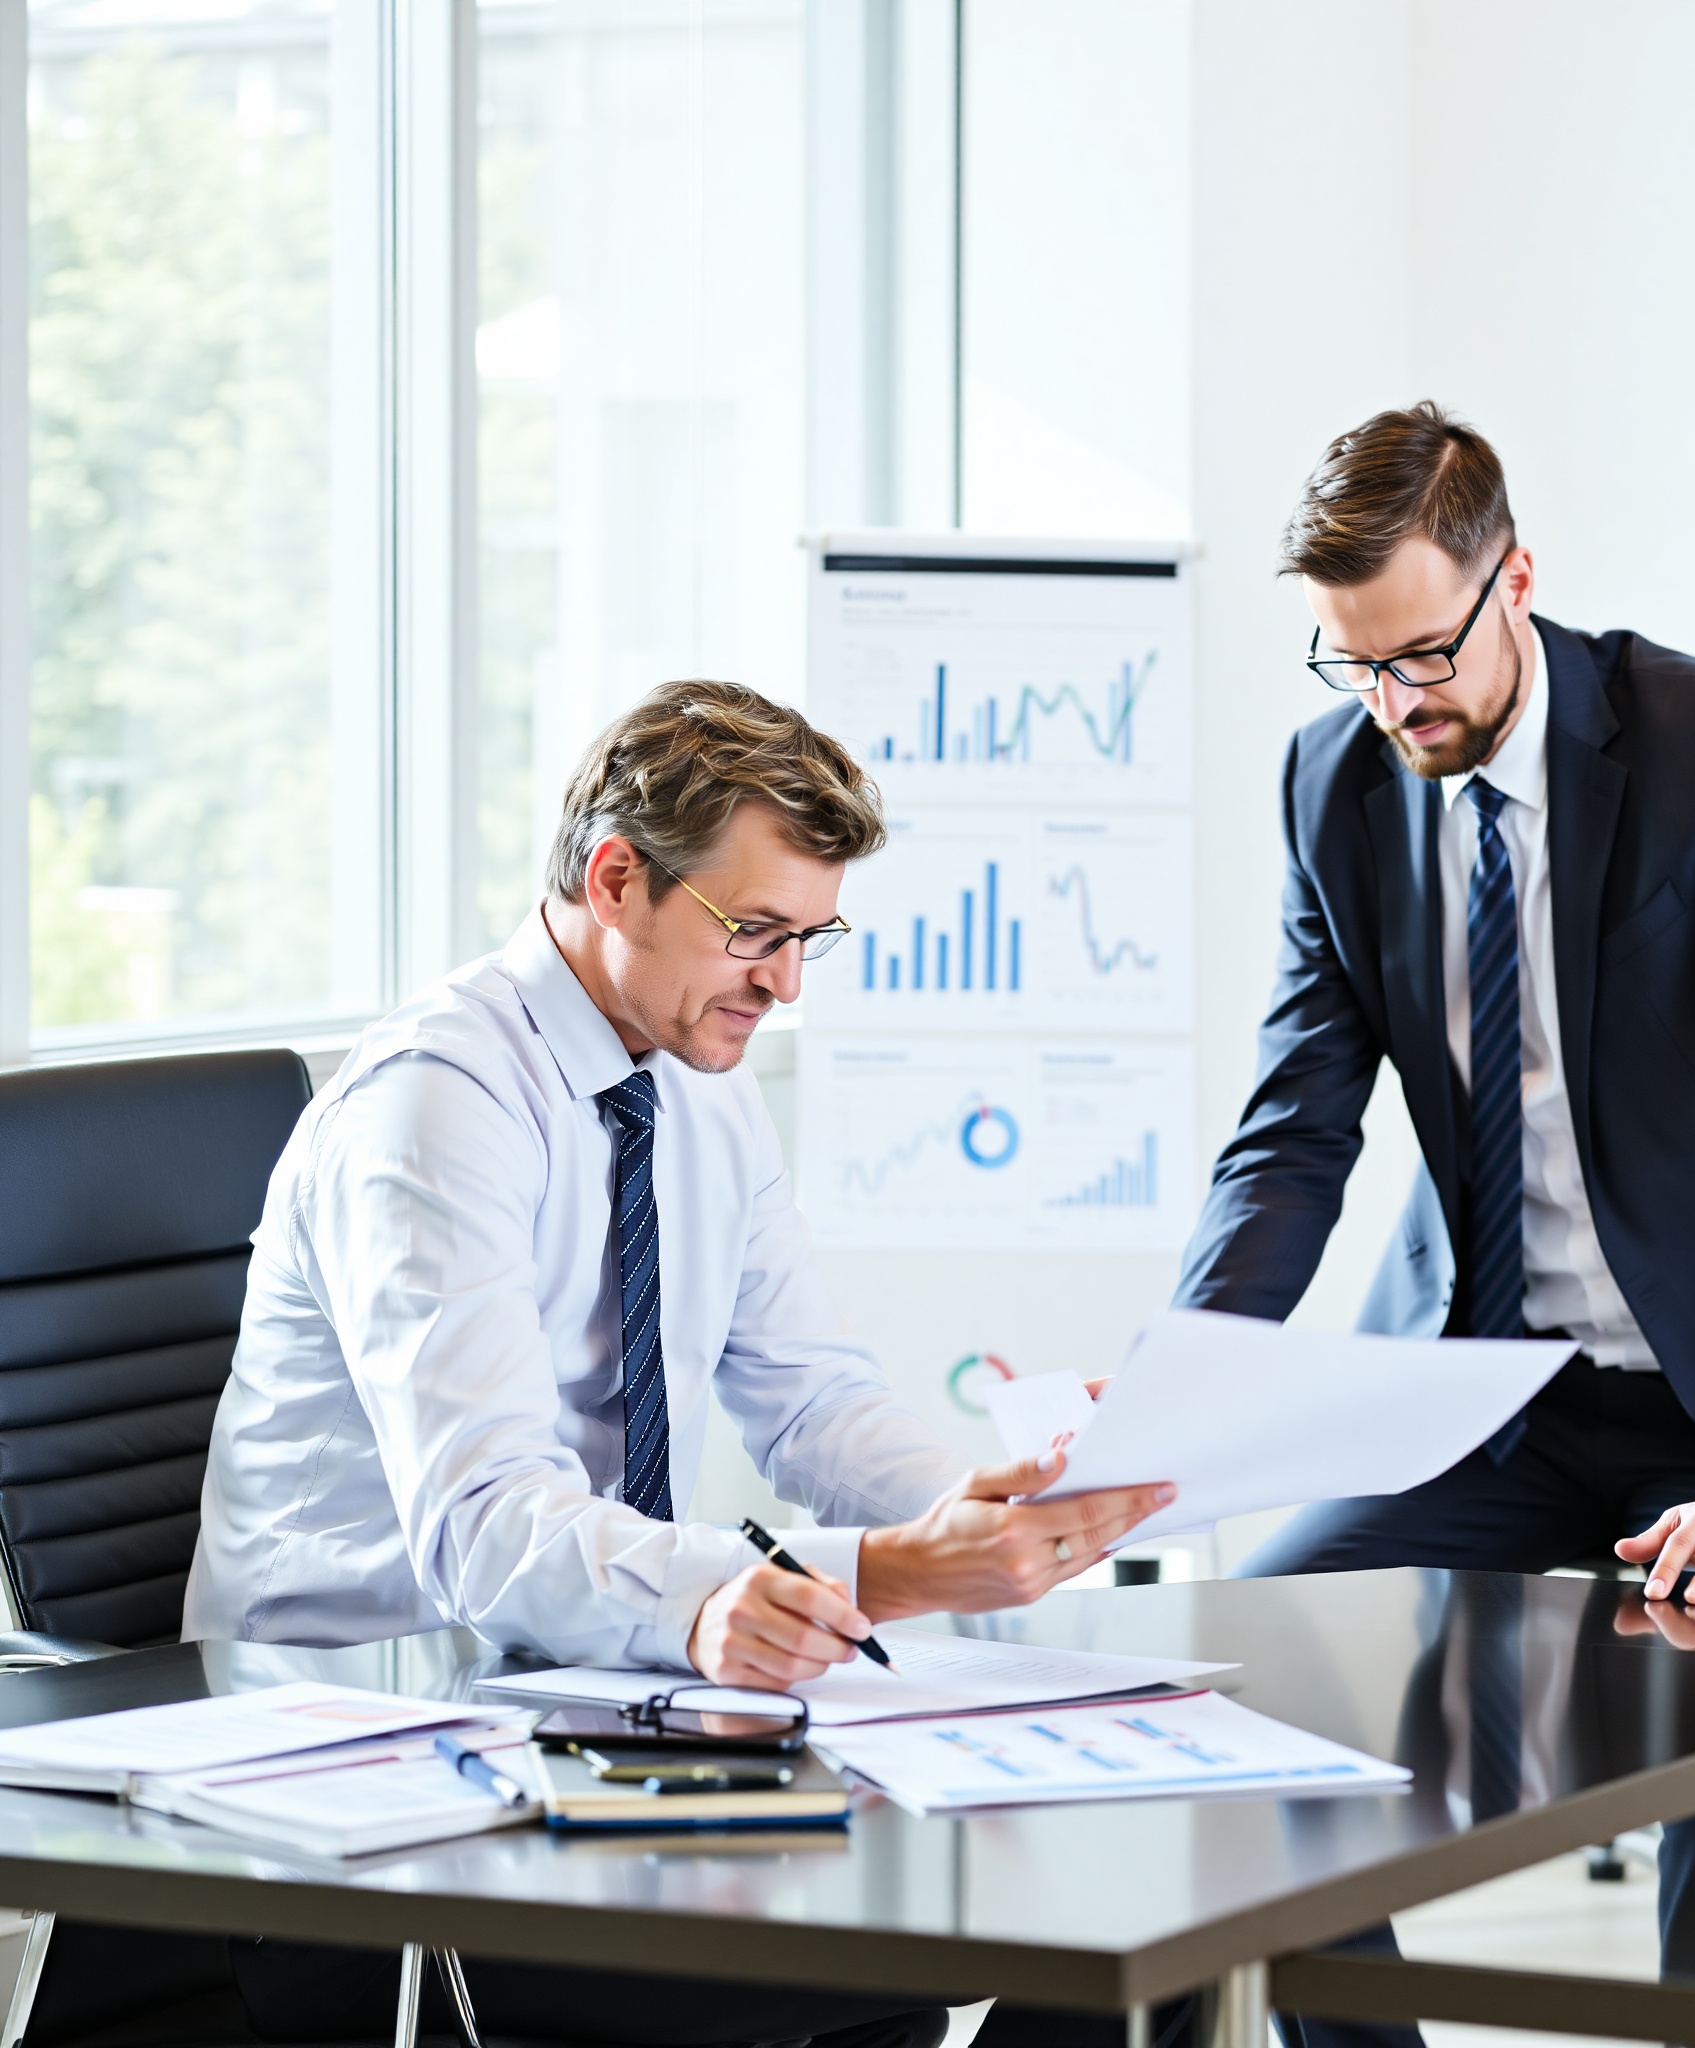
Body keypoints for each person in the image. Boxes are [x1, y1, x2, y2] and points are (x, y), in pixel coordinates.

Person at [184, 679, 1173, 2047]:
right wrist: (829, 1582)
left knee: (1158, 1907)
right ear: (616, 878)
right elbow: (487, 1529)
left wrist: (991, 1503)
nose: (783, 984)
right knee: (1003, 1933)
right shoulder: (436, 1109)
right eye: (755, 931)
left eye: (811, 938)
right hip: (382, 1778)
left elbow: (814, 1401)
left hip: (602, 1717)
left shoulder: (698, 1085)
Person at [1176, 401, 1695, 1603]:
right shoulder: (1330, 785)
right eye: (1353, 664)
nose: (1393, 704)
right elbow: (1292, 1131)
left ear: (1515, 578)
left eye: (1423, 655)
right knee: (1269, 1640)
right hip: (1480, 1398)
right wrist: (1180, 1383)